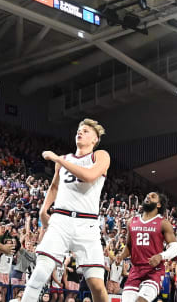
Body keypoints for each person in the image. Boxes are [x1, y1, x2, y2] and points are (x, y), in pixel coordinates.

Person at [22, 118, 110, 302]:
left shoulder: (100, 156)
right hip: (61, 220)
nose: (80, 132)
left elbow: (89, 176)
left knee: (97, 286)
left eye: (86, 131)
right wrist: (43, 209)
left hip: (87, 224)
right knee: (40, 271)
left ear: (95, 140)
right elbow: (54, 187)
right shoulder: (64, 160)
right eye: (79, 130)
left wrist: (56, 158)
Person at [120, 192, 177, 302]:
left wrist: (161, 256)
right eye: (148, 196)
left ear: (159, 205)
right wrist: (121, 256)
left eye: (153, 197)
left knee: (140, 301)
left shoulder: (163, 223)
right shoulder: (132, 221)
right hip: (136, 270)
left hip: (154, 271)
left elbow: (175, 248)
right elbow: (129, 246)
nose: (148, 197)